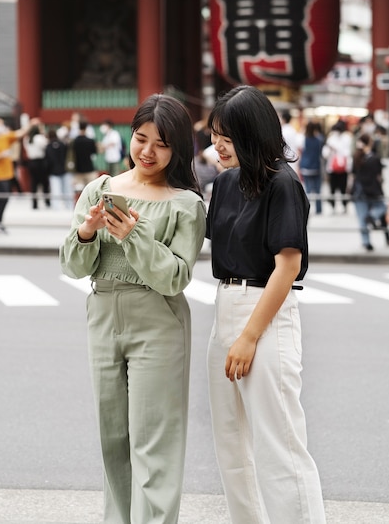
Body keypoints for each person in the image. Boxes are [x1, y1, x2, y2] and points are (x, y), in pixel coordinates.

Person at [60, 93, 206, 524]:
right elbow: (71, 265)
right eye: (140, 138)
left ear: (177, 148)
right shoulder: (99, 190)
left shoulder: (186, 204)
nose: (147, 151)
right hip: (103, 313)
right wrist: (87, 232)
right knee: (113, 439)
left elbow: (175, 277)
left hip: (158, 320)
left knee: (153, 442)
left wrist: (134, 237)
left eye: (161, 144)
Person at [205, 85, 326, 524]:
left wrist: (248, 337)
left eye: (227, 136)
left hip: (266, 315)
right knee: (231, 442)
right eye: (215, 134)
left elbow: (287, 268)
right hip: (226, 309)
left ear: (253, 134)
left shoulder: (282, 184)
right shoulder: (223, 183)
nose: (216, 144)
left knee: (280, 446)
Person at [0, 116, 38, 234]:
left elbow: (20, 133)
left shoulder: (6, 136)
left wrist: (30, 124)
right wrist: (0, 155)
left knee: (4, 199)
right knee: (2, 198)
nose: (1, 126)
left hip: (8, 173)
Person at [351, 133, 389, 252]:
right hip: (373, 191)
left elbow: (352, 175)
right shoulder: (374, 158)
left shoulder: (356, 157)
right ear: (369, 143)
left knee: (362, 218)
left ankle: (366, 243)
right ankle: (372, 216)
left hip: (358, 191)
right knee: (381, 208)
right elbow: (378, 176)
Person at [322, 119, 353, 213]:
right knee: (332, 188)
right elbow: (325, 153)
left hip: (343, 168)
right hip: (332, 168)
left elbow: (348, 153)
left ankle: (344, 205)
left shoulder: (347, 138)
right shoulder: (331, 139)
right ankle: (333, 206)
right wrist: (331, 150)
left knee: (343, 188)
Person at [23, 123, 50, 210]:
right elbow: (46, 146)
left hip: (32, 162)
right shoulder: (40, 138)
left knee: (34, 183)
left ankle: (34, 203)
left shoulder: (27, 139)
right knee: (44, 183)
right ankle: (47, 201)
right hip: (40, 161)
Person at [45, 129, 74, 210]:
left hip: (53, 172)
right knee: (67, 190)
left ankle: (56, 208)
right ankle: (70, 207)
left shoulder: (48, 147)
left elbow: (47, 161)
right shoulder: (62, 145)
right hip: (65, 170)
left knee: (55, 191)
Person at [299, 121, 324, 214]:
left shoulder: (303, 139)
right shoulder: (319, 140)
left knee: (308, 190)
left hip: (306, 167)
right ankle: (319, 209)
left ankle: (307, 208)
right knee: (318, 190)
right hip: (316, 166)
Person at [72, 120, 98, 200]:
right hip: (89, 168)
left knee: (78, 191)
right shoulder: (90, 141)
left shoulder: (74, 141)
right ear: (86, 128)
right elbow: (94, 152)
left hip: (78, 169)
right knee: (92, 191)